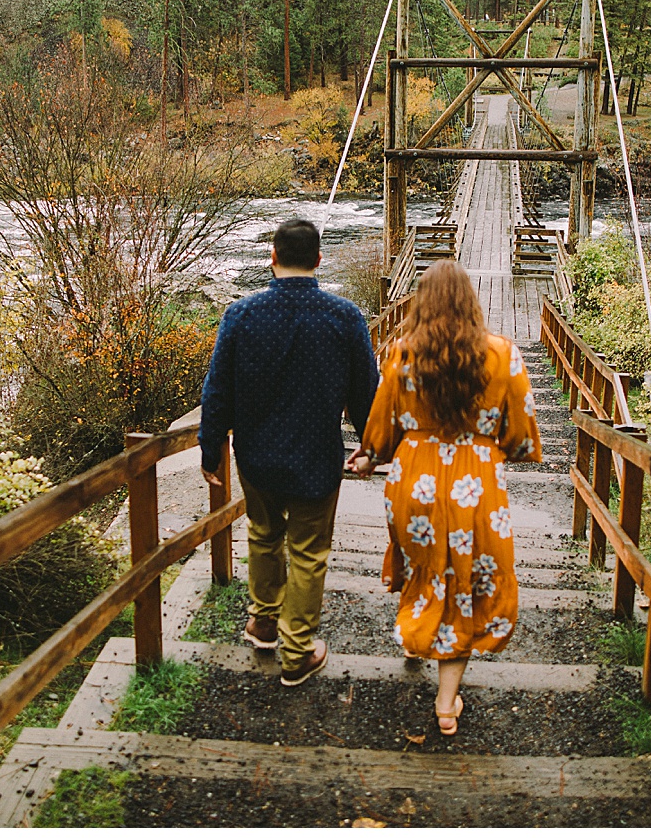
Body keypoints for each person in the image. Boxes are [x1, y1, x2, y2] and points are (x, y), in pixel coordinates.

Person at [349, 260, 540, 735]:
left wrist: (371, 456)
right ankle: (446, 698)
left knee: (427, 569)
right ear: (469, 300)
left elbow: (382, 421)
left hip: (413, 480)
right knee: (462, 581)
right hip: (477, 486)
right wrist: (494, 447)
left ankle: (419, 636)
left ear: (423, 301)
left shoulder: (402, 355)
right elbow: (520, 439)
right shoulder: (503, 355)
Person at [199, 218, 380, 686]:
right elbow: (366, 392)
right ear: (319, 260)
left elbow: (216, 389)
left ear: (273, 257)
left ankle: (263, 621)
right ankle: (297, 652)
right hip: (316, 456)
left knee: (262, 533)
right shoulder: (345, 316)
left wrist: (209, 449)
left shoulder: (241, 314)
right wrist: (372, 445)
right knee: (307, 549)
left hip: (255, 454)